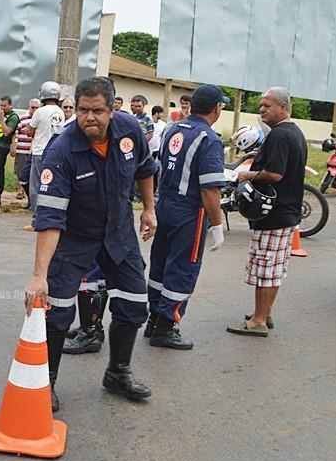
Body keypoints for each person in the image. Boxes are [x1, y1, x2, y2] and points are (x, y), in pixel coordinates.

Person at [24, 76, 158, 411]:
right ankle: (47, 383)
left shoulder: (129, 131)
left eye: (97, 110)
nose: (89, 118)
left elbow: (145, 169)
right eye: (83, 110)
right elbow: (50, 218)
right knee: (57, 312)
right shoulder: (62, 150)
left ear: (113, 110)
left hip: (119, 232)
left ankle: (118, 372)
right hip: (75, 237)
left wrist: (150, 209)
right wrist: (39, 274)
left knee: (134, 304)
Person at [146, 84, 228, 350]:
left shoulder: (173, 129)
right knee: (182, 268)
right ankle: (166, 327)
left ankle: (154, 319)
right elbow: (210, 189)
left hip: (165, 206)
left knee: (160, 265)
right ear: (217, 108)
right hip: (189, 214)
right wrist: (217, 224)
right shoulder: (209, 139)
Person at [227, 87, 307, 337]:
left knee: (265, 267)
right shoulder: (293, 133)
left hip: (274, 213)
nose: (262, 109)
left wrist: (245, 174)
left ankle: (259, 320)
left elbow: (275, 174)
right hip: (286, 211)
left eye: (267, 105)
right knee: (273, 266)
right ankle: (264, 312)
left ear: (283, 107)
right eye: (261, 105)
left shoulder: (280, 135)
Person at [26, 82, 66, 228]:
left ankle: (37, 219)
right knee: (49, 186)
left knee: (36, 186)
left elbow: (30, 131)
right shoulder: (60, 112)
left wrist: (30, 130)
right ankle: (50, 217)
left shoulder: (40, 111)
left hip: (39, 152)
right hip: (55, 152)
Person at [12, 98, 40, 205]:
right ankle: (20, 190)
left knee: (32, 174)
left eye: (37, 108)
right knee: (20, 171)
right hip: (22, 148)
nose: (35, 109)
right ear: (29, 107)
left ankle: (31, 198)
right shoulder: (22, 118)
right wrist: (13, 146)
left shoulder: (41, 119)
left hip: (34, 150)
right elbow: (15, 133)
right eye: (33, 107)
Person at [148, 104, 167, 190]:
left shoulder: (163, 124)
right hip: (147, 150)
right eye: (161, 113)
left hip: (157, 151)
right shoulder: (148, 122)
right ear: (157, 113)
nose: (162, 115)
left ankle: (154, 189)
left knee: (156, 171)